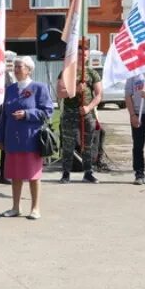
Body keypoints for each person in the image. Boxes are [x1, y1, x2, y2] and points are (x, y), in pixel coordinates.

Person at [0, 56, 53, 220]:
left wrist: (28, 114)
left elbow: (47, 111)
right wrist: (0, 138)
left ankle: (35, 208)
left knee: (33, 175)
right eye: (14, 66)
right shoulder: (11, 89)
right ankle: (15, 207)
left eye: (19, 66)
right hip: (12, 139)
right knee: (15, 174)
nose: (15, 69)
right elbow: (4, 116)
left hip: (31, 139)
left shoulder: (39, 88)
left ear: (29, 69)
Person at [56, 40, 102, 183]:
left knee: (88, 144)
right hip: (70, 113)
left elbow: (99, 95)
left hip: (86, 114)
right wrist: (76, 90)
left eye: (86, 55)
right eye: (80, 54)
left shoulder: (92, 73)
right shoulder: (67, 72)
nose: (83, 57)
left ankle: (88, 172)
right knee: (68, 144)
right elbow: (60, 93)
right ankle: (66, 173)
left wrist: (88, 107)